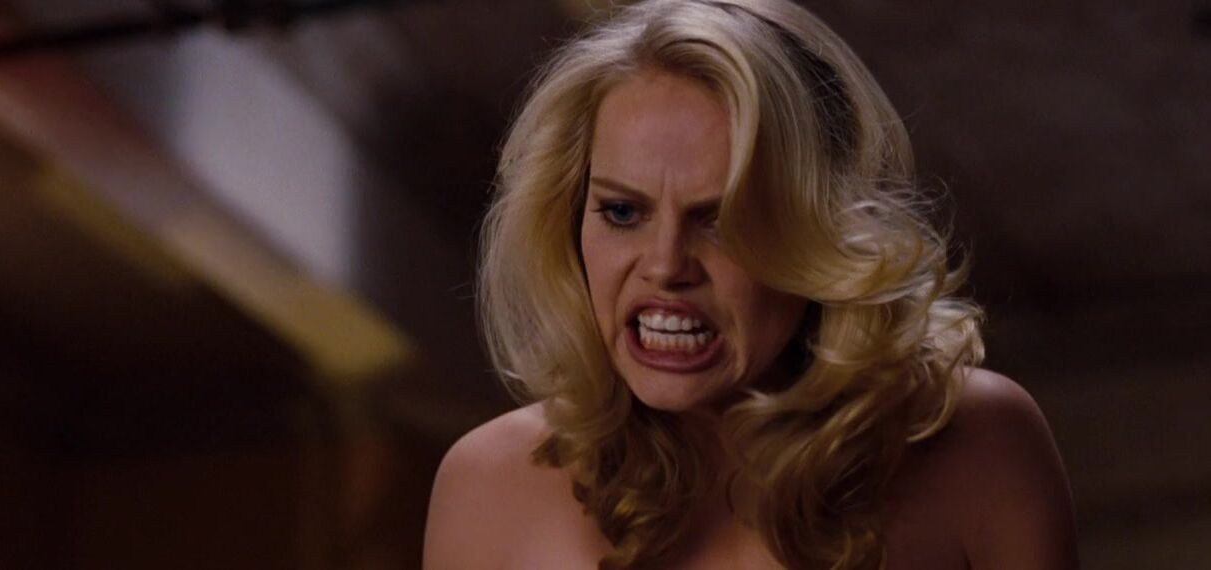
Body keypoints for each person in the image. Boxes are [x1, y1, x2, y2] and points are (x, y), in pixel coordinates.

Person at [424, 0, 1077, 568]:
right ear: (570, 218)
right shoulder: (486, 486)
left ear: (820, 234)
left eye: (724, 221)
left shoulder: (981, 444)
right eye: (622, 212)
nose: (665, 265)